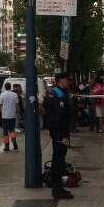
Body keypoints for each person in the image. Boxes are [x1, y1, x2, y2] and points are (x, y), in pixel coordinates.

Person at [44, 71, 74, 200]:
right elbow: (57, 118)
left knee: (60, 160)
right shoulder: (56, 95)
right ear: (61, 80)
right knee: (57, 161)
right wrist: (62, 136)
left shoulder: (61, 93)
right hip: (58, 134)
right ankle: (56, 189)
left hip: (61, 133)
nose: (69, 82)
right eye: (68, 79)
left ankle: (59, 187)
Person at [0, 81, 19, 151]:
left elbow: (0, 105)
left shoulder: (2, 95)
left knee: (5, 131)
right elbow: (17, 105)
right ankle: (14, 141)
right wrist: (18, 113)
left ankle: (7, 146)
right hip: (12, 115)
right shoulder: (15, 95)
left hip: (5, 116)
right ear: (11, 87)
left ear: (5, 88)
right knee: (12, 130)